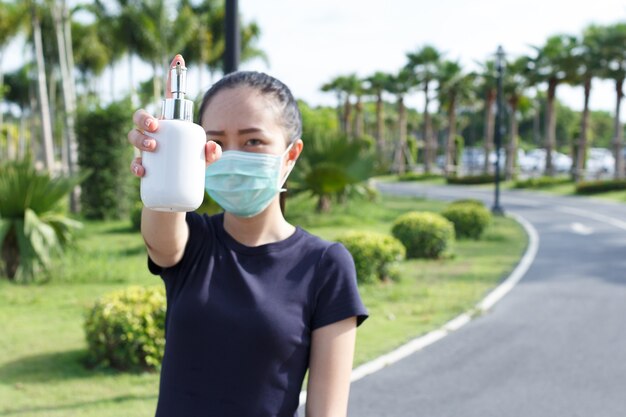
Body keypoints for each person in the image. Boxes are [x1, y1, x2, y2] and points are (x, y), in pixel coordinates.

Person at [127, 54, 368, 417]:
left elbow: (327, 412)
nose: (232, 155)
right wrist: (161, 153)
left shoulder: (325, 266)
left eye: (253, 141)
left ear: (291, 155)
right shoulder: (192, 242)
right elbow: (161, 242)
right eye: (216, 141)